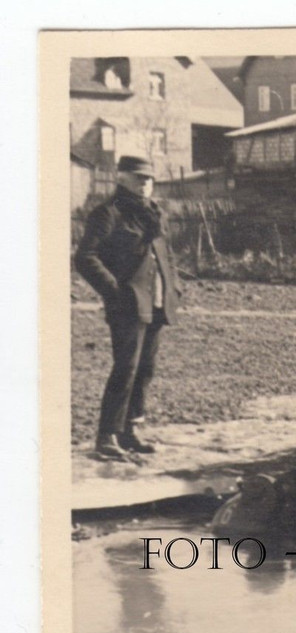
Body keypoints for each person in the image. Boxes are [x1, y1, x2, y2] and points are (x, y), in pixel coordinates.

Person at [75, 155, 181, 458]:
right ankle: (106, 436)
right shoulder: (108, 213)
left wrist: (175, 288)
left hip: (157, 301)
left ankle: (130, 430)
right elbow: (85, 257)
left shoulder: (154, 214)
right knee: (126, 368)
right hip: (127, 304)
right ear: (121, 179)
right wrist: (115, 292)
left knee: (146, 368)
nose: (145, 183)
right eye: (138, 178)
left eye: (149, 178)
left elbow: (166, 255)